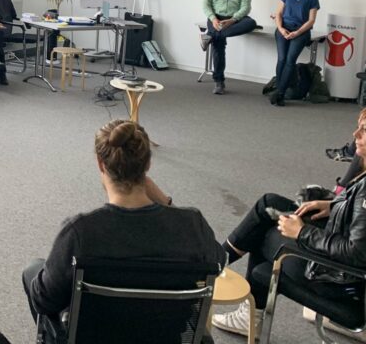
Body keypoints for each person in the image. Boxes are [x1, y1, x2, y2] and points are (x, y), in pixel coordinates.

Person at [213, 97, 366, 337]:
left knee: (262, 235)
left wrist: (302, 232)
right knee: (269, 203)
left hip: (338, 281)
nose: (355, 134)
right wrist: (334, 206)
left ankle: (240, 302)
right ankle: (216, 264)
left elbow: (357, 252)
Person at [22, 120, 224, 343]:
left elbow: (43, 301)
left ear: (101, 164)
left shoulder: (80, 232)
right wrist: (166, 202)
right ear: (147, 165)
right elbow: (219, 261)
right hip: (165, 337)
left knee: (33, 270)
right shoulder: (192, 226)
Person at [200, 0, 256, 95]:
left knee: (251, 23)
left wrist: (232, 20)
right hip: (216, 18)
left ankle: (211, 35)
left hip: (233, 20)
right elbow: (206, 3)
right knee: (219, 45)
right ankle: (219, 82)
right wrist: (213, 19)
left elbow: (246, 7)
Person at [270, 0, 320, 106]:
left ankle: (279, 93)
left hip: (301, 32)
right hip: (283, 29)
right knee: (282, 59)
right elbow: (278, 13)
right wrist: (281, 28)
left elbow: (311, 20)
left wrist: (297, 32)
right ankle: (280, 91)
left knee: (290, 60)